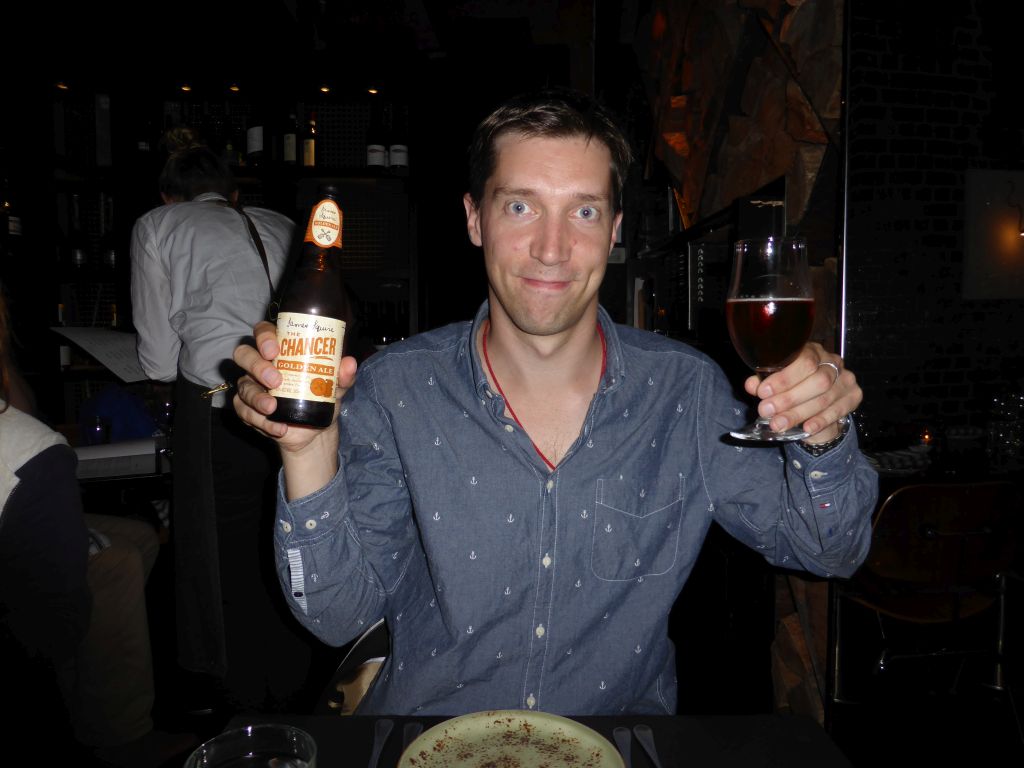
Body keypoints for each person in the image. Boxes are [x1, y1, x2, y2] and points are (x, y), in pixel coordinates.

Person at [231, 87, 878, 715]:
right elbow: (340, 615)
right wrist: (309, 453)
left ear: (615, 230)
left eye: (585, 211)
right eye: (521, 207)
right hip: (434, 742)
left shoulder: (686, 393)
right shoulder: (397, 389)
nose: (552, 247)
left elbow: (830, 549)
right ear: (474, 219)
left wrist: (821, 434)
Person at [130, 129, 312, 712]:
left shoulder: (158, 226)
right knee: (286, 546)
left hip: (218, 410)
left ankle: (242, 706)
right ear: (231, 193)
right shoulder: (281, 222)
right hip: (299, 412)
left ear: (168, 195)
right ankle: (295, 691)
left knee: (220, 560)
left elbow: (157, 357)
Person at [0, 291, 195, 766]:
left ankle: (94, 688)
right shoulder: (36, 449)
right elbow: (52, 627)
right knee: (117, 563)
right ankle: (121, 736)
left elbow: (17, 408)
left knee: (141, 537)